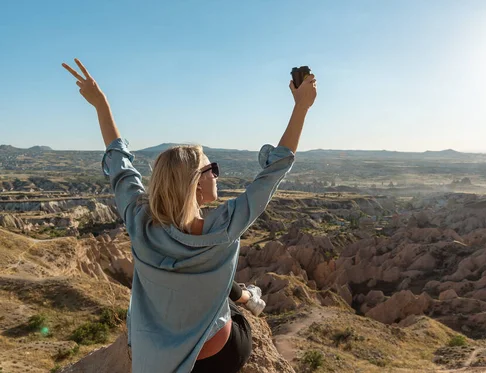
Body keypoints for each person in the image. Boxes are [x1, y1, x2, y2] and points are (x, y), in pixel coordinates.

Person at [62, 58, 317, 373]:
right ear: (196, 184)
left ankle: (244, 295)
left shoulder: (138, 220)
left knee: (212, 284)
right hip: (218, 357)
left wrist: (100, 104)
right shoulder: (225, 226)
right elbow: (274, 171)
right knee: (230, 307)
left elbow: (119, 163)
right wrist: (301, 108)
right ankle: (247, 297)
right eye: (212, 170)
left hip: (156, 359)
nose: (217, 175)